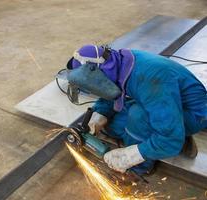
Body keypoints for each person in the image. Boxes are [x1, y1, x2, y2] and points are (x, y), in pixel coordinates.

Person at [66, 44, 207, 175]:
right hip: (165, 104)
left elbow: (170, 139)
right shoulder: (117, 63)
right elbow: (112, 90)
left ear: (96, 70)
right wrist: (100, 114)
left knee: (138, 116)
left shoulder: (149, 79)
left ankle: (139, 168)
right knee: (113, 125)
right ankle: (166, 137)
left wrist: (131, 156)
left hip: (192, 115)